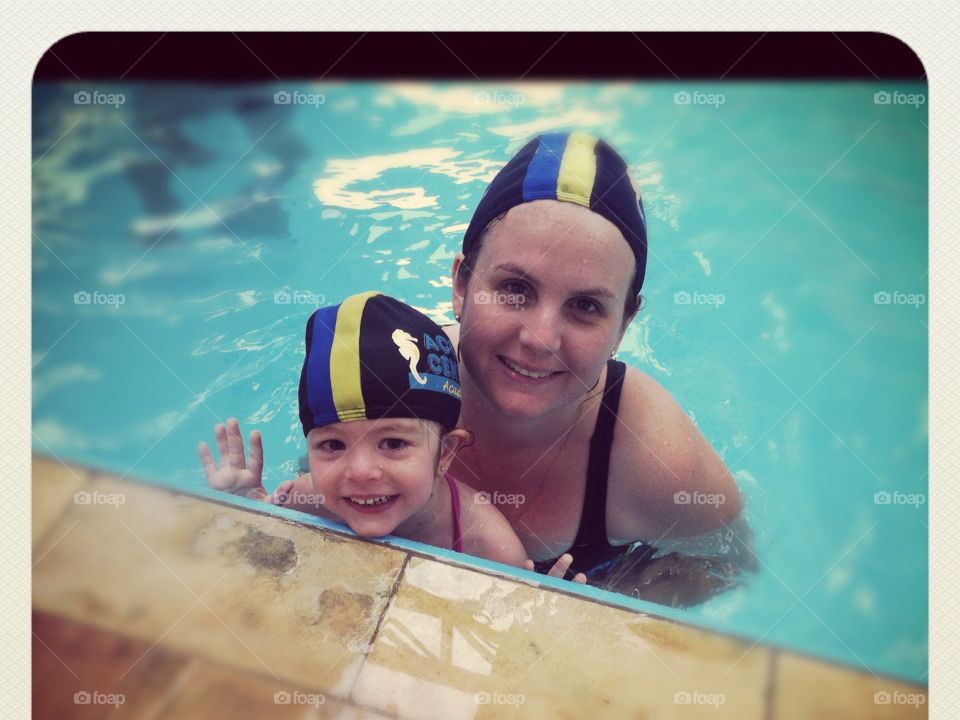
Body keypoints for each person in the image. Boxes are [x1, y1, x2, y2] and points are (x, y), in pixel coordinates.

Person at [204, 132, 748, 598]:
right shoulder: (385, 379)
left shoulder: (655, 460)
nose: (539, 339)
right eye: (515, 289)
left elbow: (728, 568)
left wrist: (603, 611)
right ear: (462, 284)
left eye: (586, 306)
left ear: (624, 325)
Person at [199, 291, 586, 581]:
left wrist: (540, 613)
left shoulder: (487, 545)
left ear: (445, 454)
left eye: (394, 443)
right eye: (332, 445)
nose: (361, 471)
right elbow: (257, 565)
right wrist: (247, 509)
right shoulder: (309, 499)